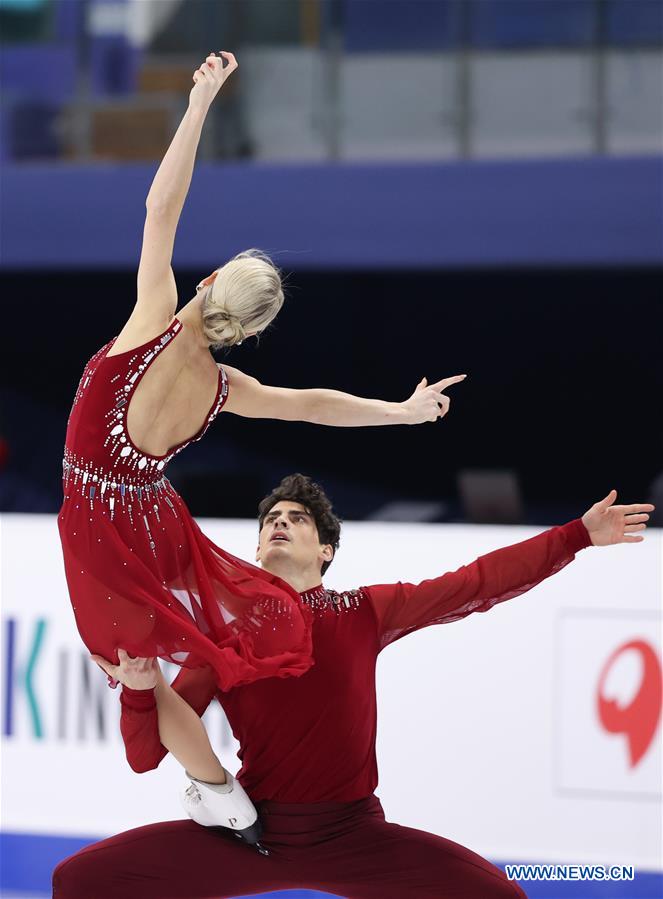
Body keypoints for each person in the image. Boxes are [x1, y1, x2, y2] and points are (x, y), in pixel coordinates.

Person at [58, 49, 466, 695]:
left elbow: (160, 208)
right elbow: (310, 404)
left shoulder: (153, 318)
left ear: (213, 277)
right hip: (145, 527)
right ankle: (210, 777)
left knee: (140, 675)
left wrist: (197, 105)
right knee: (154, 675)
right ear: (247, 333)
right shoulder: (223, 388)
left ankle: (210, 775)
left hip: (98, 518)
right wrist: (397, 410)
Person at [53, 475, 654, 898]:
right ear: (257, 549)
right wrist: (138, 688)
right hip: (252, 834)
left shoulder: (362, 612)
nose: (280, 524)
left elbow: (475, 583)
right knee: (80, 880)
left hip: (353, 834)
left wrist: (575, 535)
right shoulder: (228, 638)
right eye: (270, 521)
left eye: (297, 519)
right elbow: (143, 755)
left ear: (327, 549)